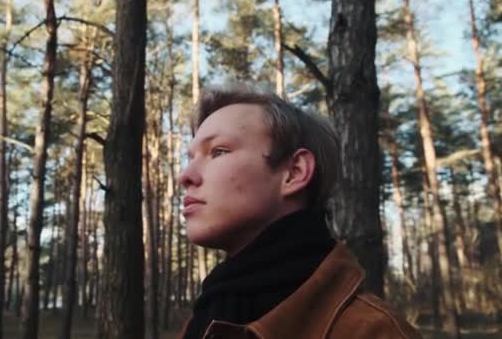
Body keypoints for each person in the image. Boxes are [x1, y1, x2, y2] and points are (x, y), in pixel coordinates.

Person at [176, 84, 421, 339]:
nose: (185, 176)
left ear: (294, 173)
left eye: (218, 151)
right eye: (190, 158)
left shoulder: (372, 332)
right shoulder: (201, 322)